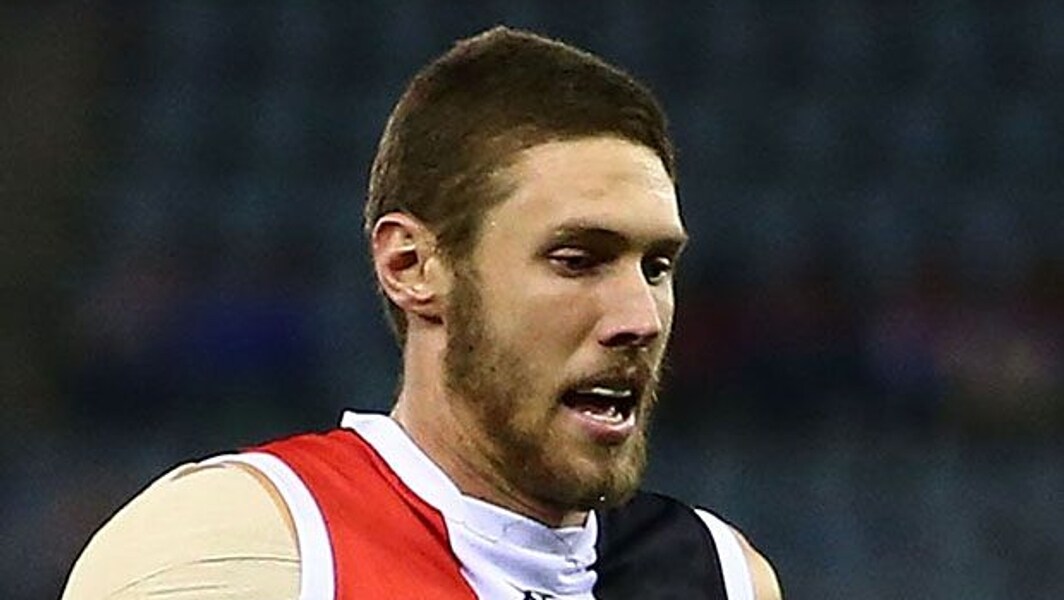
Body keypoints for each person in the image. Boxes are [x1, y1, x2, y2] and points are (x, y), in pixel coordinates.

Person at [63, 26, 781, 600]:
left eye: (657, 267)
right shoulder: (244, 550)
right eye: (577, 260)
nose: (641, 318)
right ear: (411, 267)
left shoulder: (721, 576)